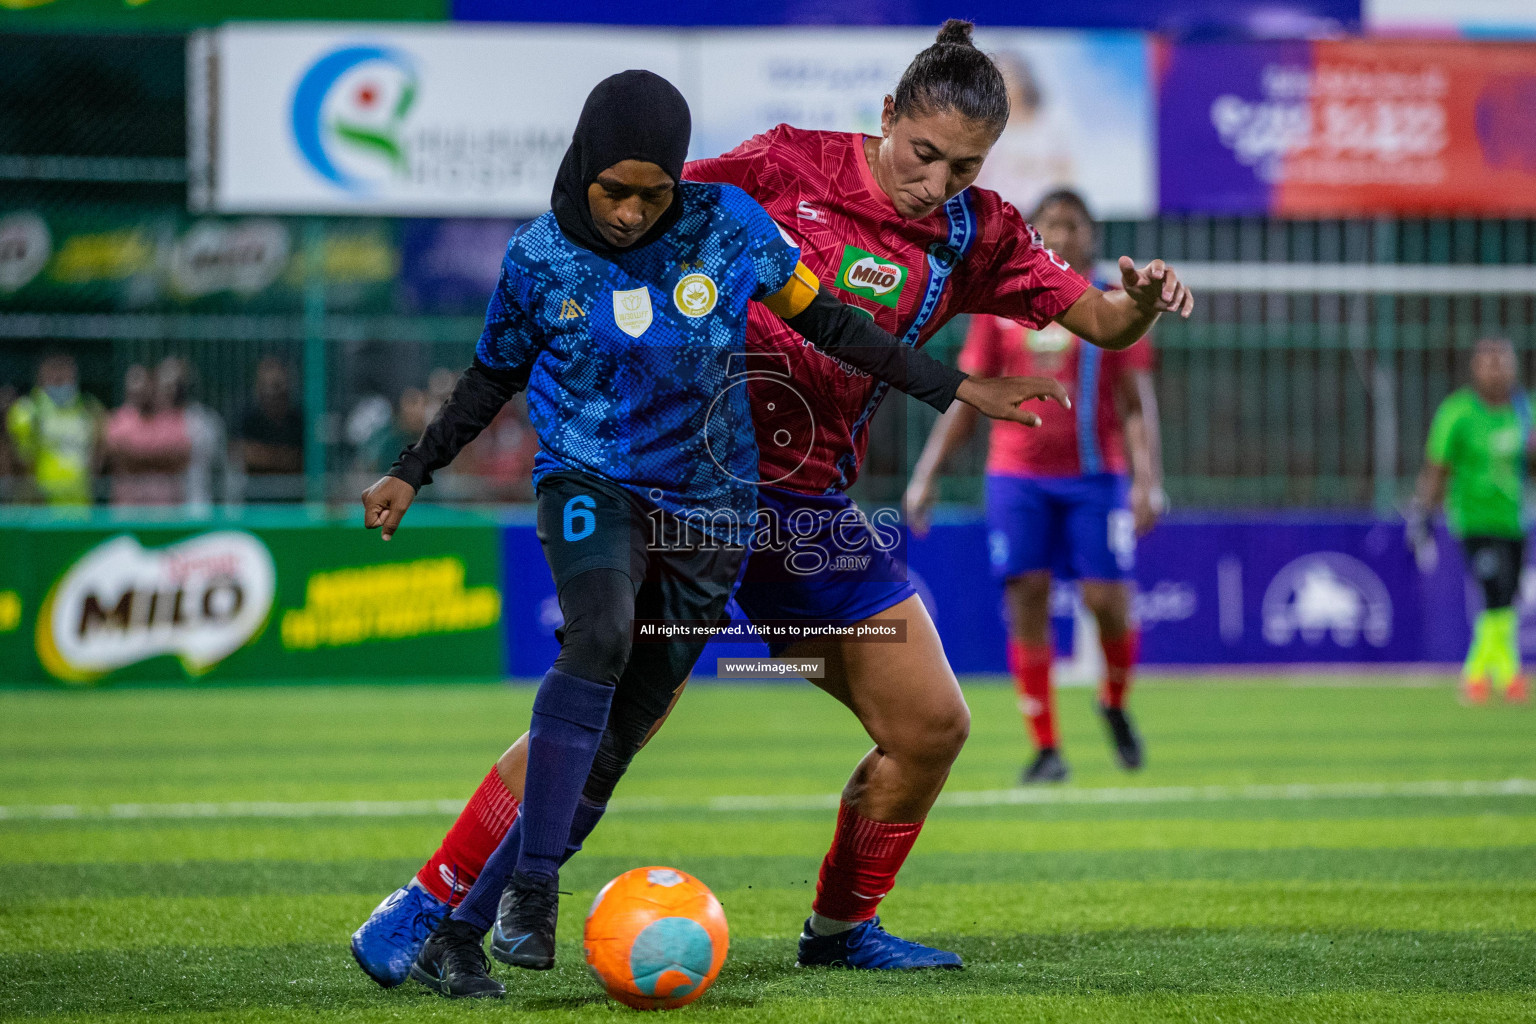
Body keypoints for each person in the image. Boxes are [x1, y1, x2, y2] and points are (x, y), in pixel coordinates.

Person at [351, 20, 1192, 983]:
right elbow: (644, 199)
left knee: (931, 726)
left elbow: (1098, 319)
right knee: (606, 712)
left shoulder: (979, 232)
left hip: (806, 517)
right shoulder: (781, 167)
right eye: (924, 155)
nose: (937, 184)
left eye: (964, 167)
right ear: (886, 117)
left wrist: (1138, 301)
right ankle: (427, 908)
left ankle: (839, 932)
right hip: (676, 483)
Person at [905, 188, 1165, 784]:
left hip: (1096, 478)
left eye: (1074, 224)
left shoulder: (1114, 303)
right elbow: (967, 396)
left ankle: (1115, 702)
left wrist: (1148, 479)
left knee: (1107, 603)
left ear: (1092, 235)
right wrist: (926, 474)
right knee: (1026, 598)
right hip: (1017, 476)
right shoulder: (1003, 304)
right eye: (1052, 225)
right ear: (1037, 235)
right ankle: (1046, 748)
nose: (1064, 235)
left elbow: (1135, 402)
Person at [1409, 337, 1531, 705]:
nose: (1496, 371)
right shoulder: (1458, 413)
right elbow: (1437, 467)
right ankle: (1501, 676)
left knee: (1507, 598)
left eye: (1502, 363)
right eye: (1488, 363)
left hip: (1513, 519)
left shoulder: (1525, 410)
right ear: (1475, 370)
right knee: (1496, 590)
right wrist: (1423, 513)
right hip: (1474, 520)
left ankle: (1482, 674)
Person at [6, 352, 104, 505]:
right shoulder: (28, 411)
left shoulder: (88, 409)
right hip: (41, 501)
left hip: (80, 500)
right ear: (41, 379)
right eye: (55, 379)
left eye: (65, 378)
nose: (61, 383)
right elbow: (21, 458)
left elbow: (99, 448)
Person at [103, 363, 191, 506]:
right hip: (128, 505)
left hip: (165, 506)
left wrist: (136, 454)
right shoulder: (121, 418)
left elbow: (181, 459)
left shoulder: (172, 418)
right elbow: (116, 458)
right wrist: (160, 456)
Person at [234, 357, 303, 502]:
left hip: (292, 501)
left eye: (277, 385)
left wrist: (264, 457)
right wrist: (282, 459)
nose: (273, 393)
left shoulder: (298, 419)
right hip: (254, 500)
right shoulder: (248, 416)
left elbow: (302, 460)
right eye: (268, 386)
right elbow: (242, 454)